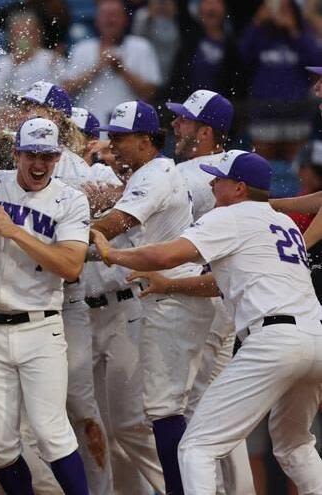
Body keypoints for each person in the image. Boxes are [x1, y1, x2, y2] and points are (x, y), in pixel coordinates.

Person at [91, 150, 322, 494]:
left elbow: (165, 253)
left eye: (220, 178)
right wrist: (169, 284)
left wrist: (111, 254)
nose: (213, 183)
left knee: (196, 447)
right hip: (314, 338)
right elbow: (222, 282)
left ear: (240, 188)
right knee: (295, 446)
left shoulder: (229, 217)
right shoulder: (282, 223)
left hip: (274, 342)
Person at [90, 100, 216, 495]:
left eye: (122, 138)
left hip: (173, 297)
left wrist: (63, 233)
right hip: (157, 299)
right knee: (136, 420)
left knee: (166, 412)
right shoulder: (145, 173)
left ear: (146, 140)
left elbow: (115, 224)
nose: (115, 145)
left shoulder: (157, 171)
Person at [0, 117, 90, 495]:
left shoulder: (70, 199)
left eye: (48, 156)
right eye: (31, 155)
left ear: (58, 157)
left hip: (41, 326)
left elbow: (71, 266)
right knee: (1, 446)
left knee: (51, 432)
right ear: (16, 153)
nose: (39, 165)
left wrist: (15, 232)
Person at [166, 89, 256, 494]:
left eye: (183, 120)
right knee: (218, 408)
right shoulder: (233, 170)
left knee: (196, 409)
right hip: (227, 301)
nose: (174, 124)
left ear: (205, 131)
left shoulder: (193, 173)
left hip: (202, 300)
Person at [240, 0, 322, 161]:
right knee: (262, 167)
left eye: (286, 9)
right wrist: (257, 21)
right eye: (277, 9)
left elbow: (316, 62)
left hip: (296, 113)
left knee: (297, 168)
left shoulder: (302, 35)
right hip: (264, 113)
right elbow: (241, 57)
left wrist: (293, 31)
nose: (280, 14)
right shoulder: (260, 35)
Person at [61, 0, 161, 123]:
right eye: (105, 15)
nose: (110, 20)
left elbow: (150, 92)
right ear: (97, 20)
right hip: (88, 126)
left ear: (125, 20)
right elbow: (66, 89)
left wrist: (121, 70)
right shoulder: (82, 48)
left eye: (115, 15)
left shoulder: (141, 47)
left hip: (127, 126)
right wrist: (96, 68)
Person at [0, 11, 64, 125]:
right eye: (18, 34)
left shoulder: (50, 58)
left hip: (43, 115)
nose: (24, 38)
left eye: (29, 33)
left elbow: (61, 92)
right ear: (10, 37)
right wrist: (16, 65)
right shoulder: (3, 62)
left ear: (38, 35)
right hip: (12, 116)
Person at [166, 0, 244, 106]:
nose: (211, 7)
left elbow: (238, 83)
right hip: (189, 109)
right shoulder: (189, 42)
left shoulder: (233, 47)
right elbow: (177, 79)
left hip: (219, 110)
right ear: (199, 10)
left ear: (225, 10)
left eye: (216, 2)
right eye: (207, 2)